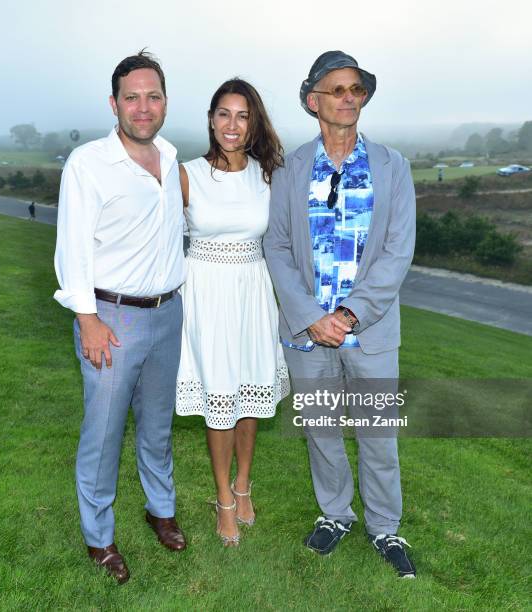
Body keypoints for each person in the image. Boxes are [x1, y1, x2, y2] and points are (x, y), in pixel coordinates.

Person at [263, 51, 417, 578]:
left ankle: (385, 527)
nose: (349, 97)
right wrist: (311, 316)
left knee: (378, 434)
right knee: (322, 430)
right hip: (308, 333)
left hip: (369, 330)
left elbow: (398, 251)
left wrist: (349, 315)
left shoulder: (393, 166)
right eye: (338, 90)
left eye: (356, 89)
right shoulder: (288, 168)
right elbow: (277, 247)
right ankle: (335, 514)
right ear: (314, 102)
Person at [53, 51, 187, 585]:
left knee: (157, 426)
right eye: (131, 97)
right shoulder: (87, 164)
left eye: (153, 96)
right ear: (114, 103)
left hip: (168, 313)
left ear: (165, 102)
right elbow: (72, 250)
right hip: (112, 317)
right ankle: (99, 538)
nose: (143, 106)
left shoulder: (173, 156)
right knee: (104, 433)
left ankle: (160, 509)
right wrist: (87, 319)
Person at [175, 79, 289, 546]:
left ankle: (244, 485)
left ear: (253, 122)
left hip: (253, 290)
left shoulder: (268, 174)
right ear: (210, 118)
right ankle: (223, 498)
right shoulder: (186, 174)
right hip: (205, 290)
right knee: (220, 397)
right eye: (224, 113)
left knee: (251, 390)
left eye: (242, 116)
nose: (232, 125)